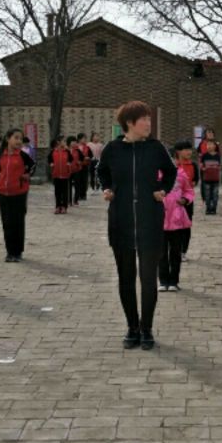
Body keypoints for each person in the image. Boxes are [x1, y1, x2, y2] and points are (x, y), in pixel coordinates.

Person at [98, 101, 177, 351]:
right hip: (121, 221)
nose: (149, 124)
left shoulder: (156, 148)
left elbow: (171, 172)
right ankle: (132, 327)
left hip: (149, 221)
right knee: (126, 279)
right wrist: (107, 188)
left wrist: (163, 190)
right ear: (130, 123)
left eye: (149, 119)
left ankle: (146, 329)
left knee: (148, 279)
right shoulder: (112, 149)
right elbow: (102, 171)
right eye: (144, 119)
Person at [0, 128, 36, 262]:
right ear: (8, 138)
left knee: (18, 223)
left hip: (19, 193)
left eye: (20, 138)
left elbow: (33, 166)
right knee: (7, 223)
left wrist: (27, 175)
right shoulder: (0, 154)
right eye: (16, 138)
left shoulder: (23, 155)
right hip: (3, 193)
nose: (19, 141)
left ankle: (18, 252)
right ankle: (9, 252)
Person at [159, 162, 194, 293]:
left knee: (175, 252)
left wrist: (185, 200)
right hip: (159, 219)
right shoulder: (154, 175)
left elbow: (189, 191)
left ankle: (174, 281)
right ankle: (163, 281)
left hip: (177, 219)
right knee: (161, 253)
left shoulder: (180, 175)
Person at [174, 140, 199, 261]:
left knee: (186, 226)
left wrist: (190, 185)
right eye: (186, 149)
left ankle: (183, 251)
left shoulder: (193, 165)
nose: (189, 152)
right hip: (173, 201)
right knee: (173, 227)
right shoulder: (172, 165)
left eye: (190, 149)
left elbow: (195, 180)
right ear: (178, 152)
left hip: (187, 200)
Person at [48, 135, 72, 214]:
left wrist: (68, 164)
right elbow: (49, 159)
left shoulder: (67, 151)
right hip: (56, 174)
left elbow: (71, 159)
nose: (65, 143)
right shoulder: (53, 151)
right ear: (58, 142)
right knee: (57, 192)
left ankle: (64, 207)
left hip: (65, 175)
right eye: (63, 141)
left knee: (65, 192)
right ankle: (58, 206)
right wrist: (51, 164)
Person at [200, 139, 222, 215]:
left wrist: (218, 168)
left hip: (215, 178)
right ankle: (208, 208)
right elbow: (201, 165)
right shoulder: (204, 155)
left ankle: (214, 209)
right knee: (207, 194)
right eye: (207, 145)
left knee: (215, 194)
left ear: (214, 146)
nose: (209, 146)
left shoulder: (218, 155)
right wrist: (203, 168)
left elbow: (219, 165)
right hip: (206, 178)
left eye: (210, 144)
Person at [77, 133, 92, 201]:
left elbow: (91, 155)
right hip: (77, 166)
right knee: (78, 181)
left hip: (85, 166)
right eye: (84, 138)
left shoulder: (87, 147)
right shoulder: (76, 147)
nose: (85, 140)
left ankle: (83, 195)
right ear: (79, 139)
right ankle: (78, 195)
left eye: (85, 138)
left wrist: (88, 158)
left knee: (84, 181)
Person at [67, 136, 82, 206]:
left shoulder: (78, 150)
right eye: (73, 141)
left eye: (75, 142)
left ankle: (76, 200)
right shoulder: (66, 150)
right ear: (69, 142)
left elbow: (82, 158)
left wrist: (79, 162)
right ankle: (69, 200)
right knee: (68, 186)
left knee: (77, 185)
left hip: (76, 170)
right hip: (68, 171)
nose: (74, 143)